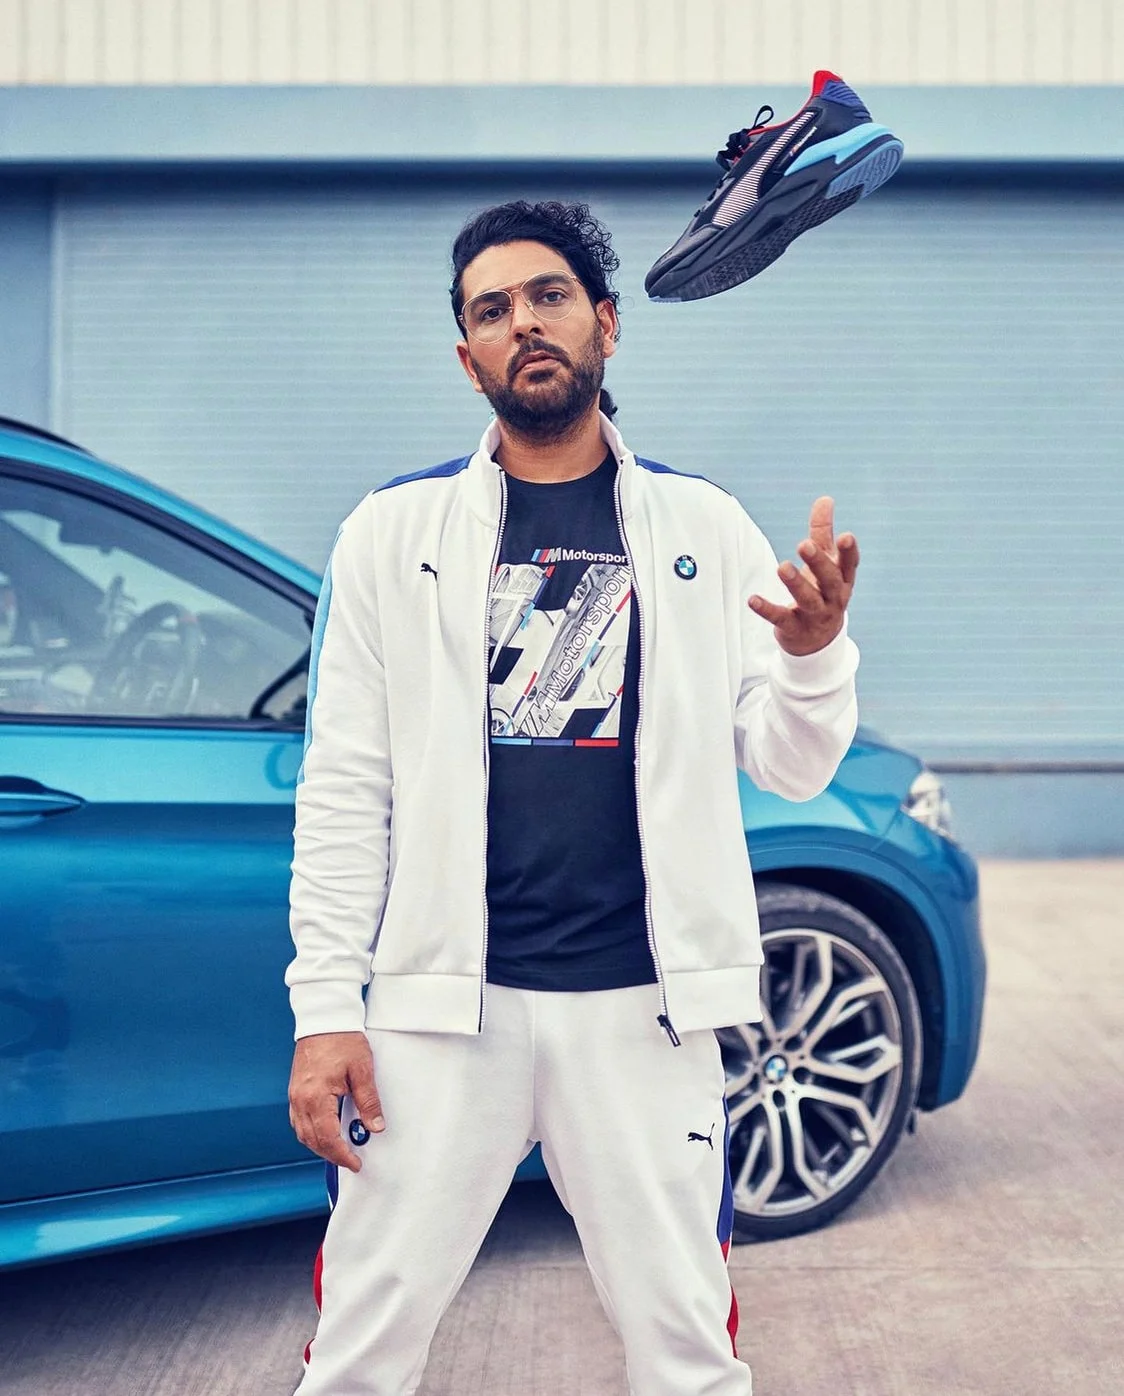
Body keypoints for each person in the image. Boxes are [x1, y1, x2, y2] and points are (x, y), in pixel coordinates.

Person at [285, 199, 861, 1396]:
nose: (522, 325)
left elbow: (790, 761)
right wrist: (324, 1008)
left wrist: (811, 655)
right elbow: (345, 786)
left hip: (641, 1015)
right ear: (466, 359)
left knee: (689, 1356)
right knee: (356, 1355)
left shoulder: (698, 526)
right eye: (490, 311)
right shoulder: (392, 535)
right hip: (440, 1018)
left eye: (547, 297)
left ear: (604, 323)